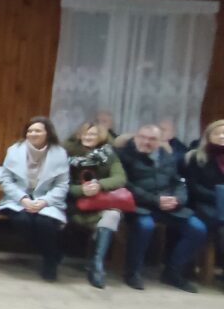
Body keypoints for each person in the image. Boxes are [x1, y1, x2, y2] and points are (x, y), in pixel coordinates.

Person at [116, 125, 207, 293]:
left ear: (160, 141)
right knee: (145, 226)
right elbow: (125, 185)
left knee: (198, 228)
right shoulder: (123, 155)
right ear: (135, 137)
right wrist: (155, 200)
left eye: (152, 139)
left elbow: (178, 182)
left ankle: (172, 272)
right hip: (139, 205)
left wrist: (178, 200)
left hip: (169, 206)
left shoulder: (167, 157)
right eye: (142, 137)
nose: (146, 142)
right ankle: (132, 272)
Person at [0, 116, 70, 281]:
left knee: (44, 223)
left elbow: (62, 185)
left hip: (47, 200)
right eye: (30, 131)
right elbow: (6, 179)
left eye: (37, 131)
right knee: (23, 221)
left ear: (47, 133)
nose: (33, 134)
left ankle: (49, 263)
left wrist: (44, 201)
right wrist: (22, 199)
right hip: (18, 199)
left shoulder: (60, 153)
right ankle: (52, 254)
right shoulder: (14, 150)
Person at [65, 120, 128, 289]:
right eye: (85, 133)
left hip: (100, 203)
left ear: (100, 136)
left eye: (92, 134)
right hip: (74, 204)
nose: (88, 137)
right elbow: (60, 183)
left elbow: (120, 178)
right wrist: (82, 190)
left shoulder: (109, 155)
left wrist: (99, 185)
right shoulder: (68, 154)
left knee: (113, 215)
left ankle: (97, 265)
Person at [184, 120, 224, 269]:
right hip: (203, 205)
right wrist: (219, 198)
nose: (222, 136)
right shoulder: (197, 157)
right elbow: (193, 187)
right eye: (217, 133)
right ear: (208, 136)